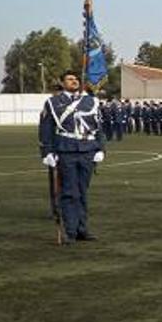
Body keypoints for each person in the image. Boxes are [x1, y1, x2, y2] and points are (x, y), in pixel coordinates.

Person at [39, 69, 105, 243]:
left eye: (76, 79)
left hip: (87, 150)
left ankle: (82, 229)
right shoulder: (53, 102)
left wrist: (100, 149)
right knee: (69, 192)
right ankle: (70, 231)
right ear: (62, 82)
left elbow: (99, 127)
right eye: (70, 79)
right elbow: (46, 129)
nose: (74, 81)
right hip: (66, 150)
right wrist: (47, 152)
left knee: (82, 192)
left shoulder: (91, 101)